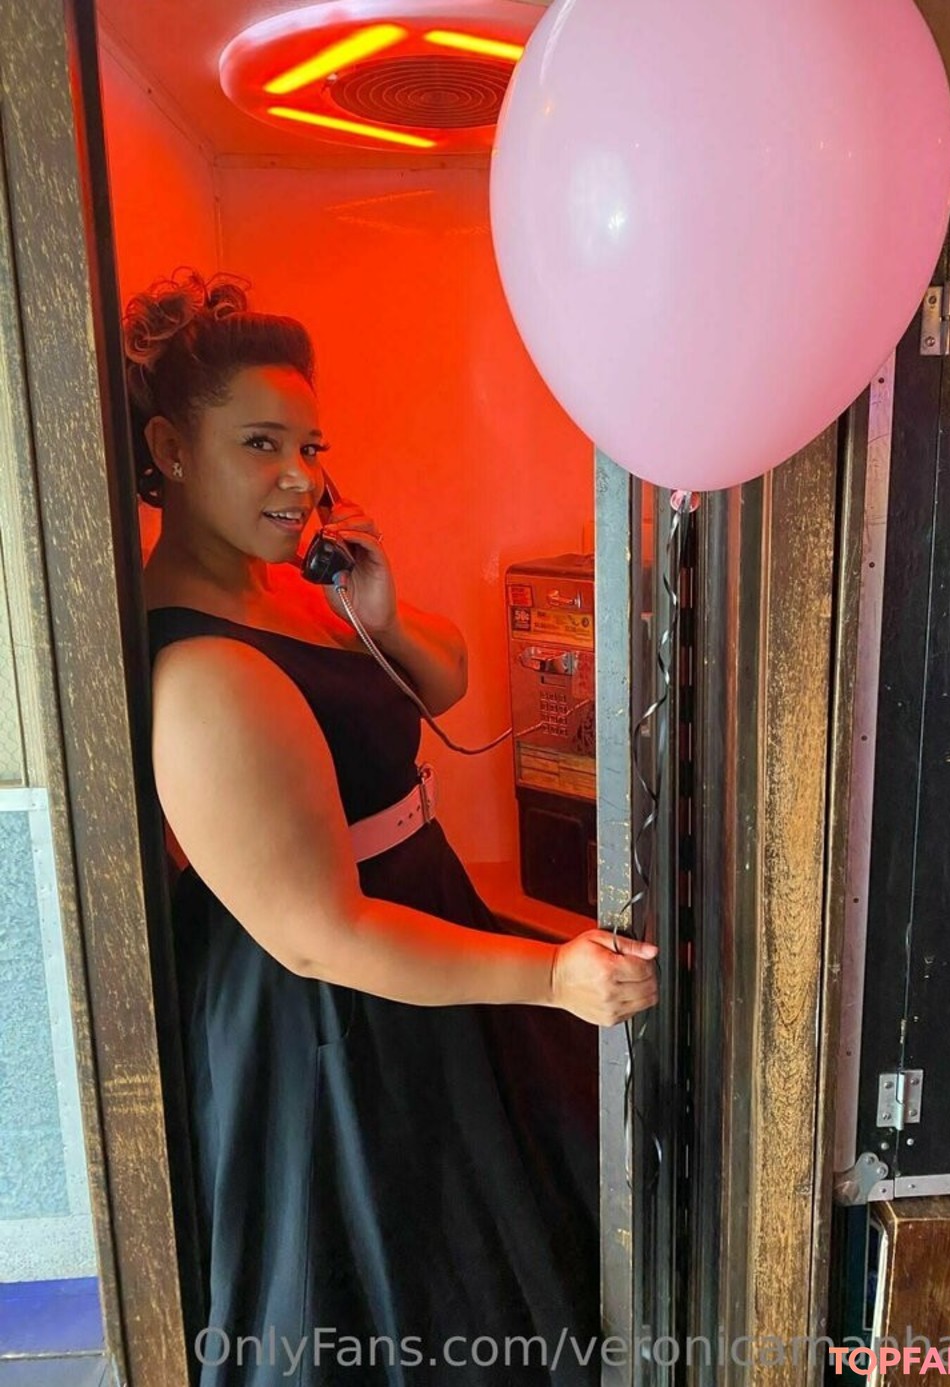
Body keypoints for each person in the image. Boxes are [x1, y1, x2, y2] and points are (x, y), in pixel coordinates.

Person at [126, 269, 659, 1387]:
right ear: (171, 449)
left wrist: (374, 612)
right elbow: (320, 935)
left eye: (310, 447)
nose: (299, 477)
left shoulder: (277, 588)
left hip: (414, 940)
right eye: (261, 445)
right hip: (336, 1010)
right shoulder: (205, 672)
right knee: (401, 1284)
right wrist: (550, 979)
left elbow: (446, 679)